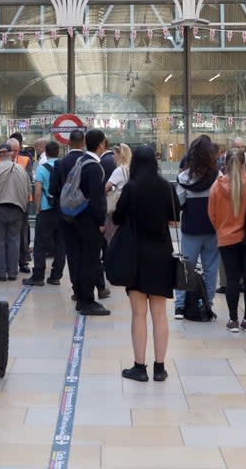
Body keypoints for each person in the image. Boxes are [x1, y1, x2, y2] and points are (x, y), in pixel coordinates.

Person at [113, 146, 176, 381]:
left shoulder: (131, 187)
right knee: (159, 313)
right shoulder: (166, 187)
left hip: (135, 254)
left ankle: (139, 367)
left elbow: (117, 218)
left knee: (138, 314)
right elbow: (173, 219)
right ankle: (160, 368)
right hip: (161, 254)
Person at [52, 129, 111, 316]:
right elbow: (97, 198)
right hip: (88, 222)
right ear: (101, 144)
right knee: (90, 260)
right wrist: (101, 221)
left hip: (72, 217)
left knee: (77, 258)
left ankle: (80, 297)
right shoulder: (94, 166)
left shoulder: (81, 161)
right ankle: (87, 301)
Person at [209, 148, 246, 332]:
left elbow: (212, 215)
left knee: (231, 280)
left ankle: (233, 320)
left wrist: (222, 230)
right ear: (243, 164)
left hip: (226, 239)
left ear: (225, 164)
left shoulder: (216, 187)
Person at [173, 135, 220, 320]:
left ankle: (180, 306)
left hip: (191, 229)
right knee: (211, 269)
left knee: (186, 267)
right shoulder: (219, 176)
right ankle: (207, 305)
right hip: (213, 230)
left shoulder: (184, 177)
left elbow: (179, 203)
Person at [0, 141, 30, 281]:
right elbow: (28, 191)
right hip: (17, 209)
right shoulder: (21, 169)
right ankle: (13, 273)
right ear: (11, 154)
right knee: (14, 240)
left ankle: (1, 273)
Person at [24, 141, 65, 286]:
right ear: (58, 152)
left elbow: (38, 191)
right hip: (62, 211)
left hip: (46, 210)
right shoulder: (64, 167)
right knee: (61, 244)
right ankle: (55, 276)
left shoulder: (41, 169)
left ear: (46, 153)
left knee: (40, 245)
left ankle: (38, 276)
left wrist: (37, 208)